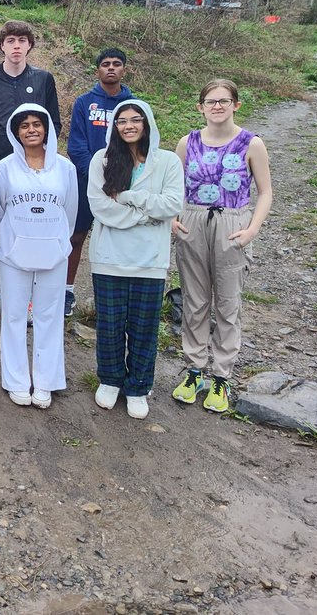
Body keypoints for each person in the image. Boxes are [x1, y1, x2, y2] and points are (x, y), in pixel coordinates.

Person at [171, 79, 272, 413]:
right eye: (210, 101)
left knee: (228, 303)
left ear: (236, 105)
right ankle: (195, 370)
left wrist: (252, 229)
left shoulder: (251, 143)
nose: (217, 106)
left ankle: (222, 376)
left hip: (232, 222)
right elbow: (174, 185)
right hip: (194, 221)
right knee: (195, 300)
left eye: (224, 101)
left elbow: (265, 192)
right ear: (200, 106)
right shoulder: (188, 143)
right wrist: (174, 218)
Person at [87, 100, 182, 419]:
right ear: (114, 127)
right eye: (121, 121)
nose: (128, 125)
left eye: (135, 120)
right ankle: (111, 379)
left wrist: (129, 198)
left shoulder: (167, 162)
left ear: (147, 123)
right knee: (110, 323)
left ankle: (139, 386)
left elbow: (171, 205)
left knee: (144, 326)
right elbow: (100, 207)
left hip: (150, 260)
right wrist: (145, 216)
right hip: (109, 256)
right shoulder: (102, 160)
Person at [0, 19, 62, 326]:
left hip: (34, 171)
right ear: (2, 46)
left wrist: (46, 164)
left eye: (23, 40)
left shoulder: (44, 79)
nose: (17, 46)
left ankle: (30, 299)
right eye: (11, 41)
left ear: (30, 46)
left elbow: (54, 124)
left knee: (32, 231)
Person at [0, 104, 78, 410]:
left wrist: (57, 241)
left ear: (47, 129)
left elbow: (70, 213)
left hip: (53, 253)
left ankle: (46, 382)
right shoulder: (3, 169)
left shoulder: (65, 168)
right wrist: (6, 246)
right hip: (13, 254)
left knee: (48, 318)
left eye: (36, 124)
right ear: (16, 132)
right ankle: (16, 380)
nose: (30, 129)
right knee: (13, 316)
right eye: (24, 125)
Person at [66, 49, 133, 317]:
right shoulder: (85, 103)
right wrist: (95, 178)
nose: (111, 68)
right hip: (85, 182)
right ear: (98, 71)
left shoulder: (133, 104)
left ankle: (112, 296)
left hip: (122, 185)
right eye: (105, 64)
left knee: (117, 237)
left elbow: (138, 145)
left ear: (124, 70)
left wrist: (118, 179)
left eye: (117, 64)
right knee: (76, 237)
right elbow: (76, 145)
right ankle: (66, 291)